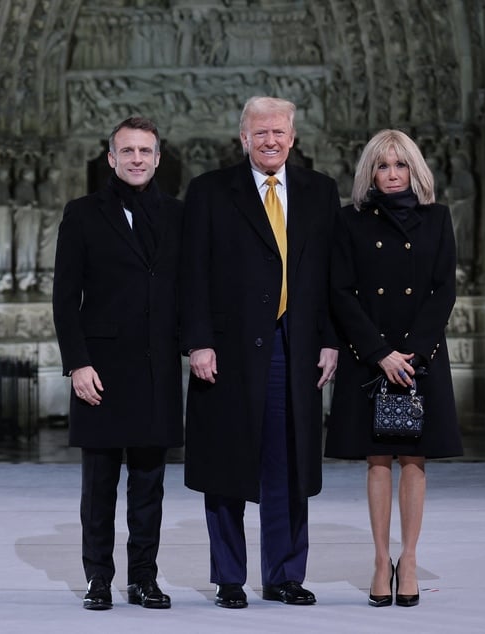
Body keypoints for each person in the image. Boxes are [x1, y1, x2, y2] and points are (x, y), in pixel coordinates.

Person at [180, 96, 340, 609]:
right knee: (227, 462)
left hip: (295, 348)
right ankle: (229, 577)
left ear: (293, 137)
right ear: (242, 138)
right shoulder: (208, 192)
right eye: (260, 133)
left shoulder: (321, 192)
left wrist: (331, 340)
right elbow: (192, 276)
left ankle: (285, 575)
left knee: (289, 466)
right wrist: (198, 341)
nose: (270, 141)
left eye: (279, 132)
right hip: (226, 352)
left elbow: (333, 277)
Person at [325, 129, 463, 608]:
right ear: (370, 172)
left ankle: (410, 558)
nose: (391, 174)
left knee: (414, 460)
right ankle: (381, 559)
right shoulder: (349, 222)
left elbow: (443, 289)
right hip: (370, 355)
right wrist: (380, 353)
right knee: (377, 459)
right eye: (382, 166)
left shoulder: (437, 219)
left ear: (414, 170)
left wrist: (414, 352)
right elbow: (339, 291)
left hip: (419, 357)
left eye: (399, 165)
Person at [52, 116, 183, 611]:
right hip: (100, 370)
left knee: (149, 486)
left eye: (144, 151)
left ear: (157, 158)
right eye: (126, 151)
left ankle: (143, 579)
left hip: (156, 368)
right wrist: (77, 364)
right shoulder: (83, 213)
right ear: (110, 158)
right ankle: (98, 579)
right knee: (100, 485)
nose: (135, 159)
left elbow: (188, 289)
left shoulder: (177, 215)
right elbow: (65, 298)